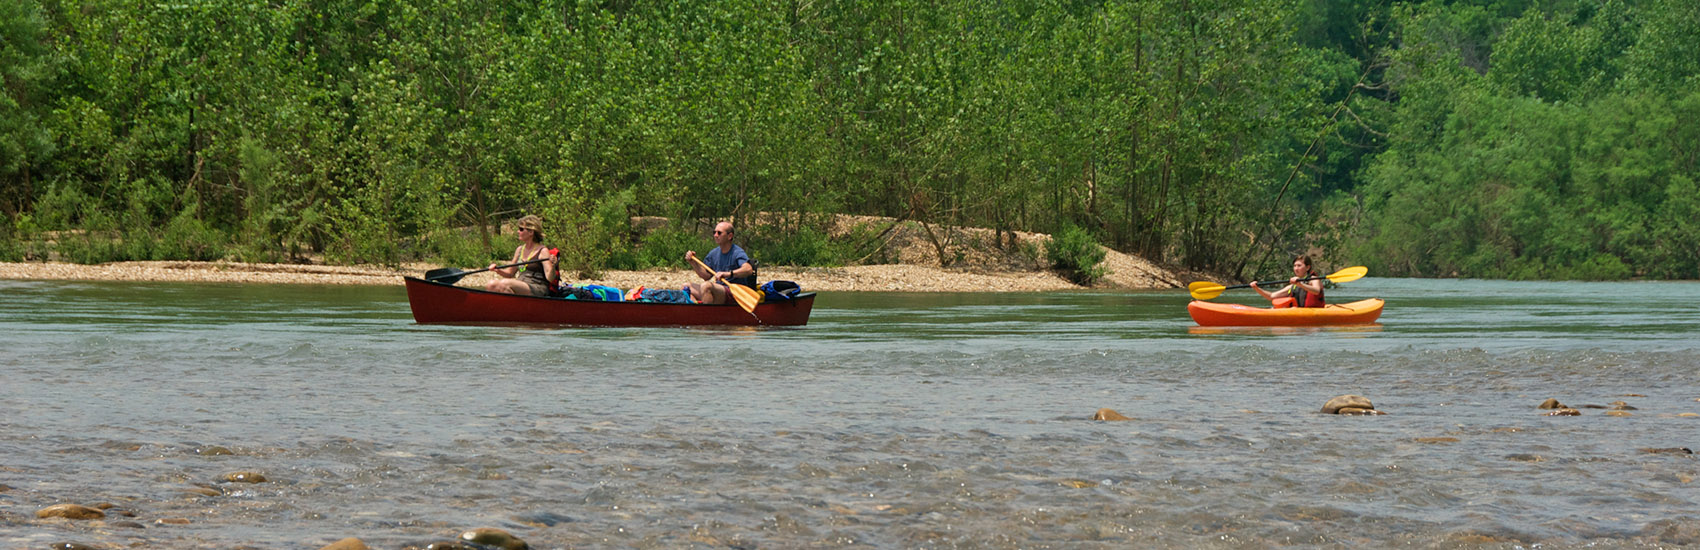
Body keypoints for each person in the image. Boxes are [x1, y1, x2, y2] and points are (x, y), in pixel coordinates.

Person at [684, 221, 755, 305]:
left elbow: (748, 269)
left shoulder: (737, 252)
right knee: (686, 286)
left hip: (734, 292)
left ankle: (707, 315)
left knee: (706, 286)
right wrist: (693, 263)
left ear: (730, 236)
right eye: (714, 232)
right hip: (719, 290)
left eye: (719, 233)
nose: (715, 235)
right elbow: (706, 276)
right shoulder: (713, 253)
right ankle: (696, 312)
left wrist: (728, 274)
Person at [484, 215, 558, 296]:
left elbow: (550, 278)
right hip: (521, 284)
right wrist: (497, 270)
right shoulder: (519, 250)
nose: (518, 231)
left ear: (531, 232)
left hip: (537, 287)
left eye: (521, 229)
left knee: (505, 283)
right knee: (491, 285)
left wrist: (553, 265)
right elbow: (510, 273)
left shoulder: (542, 250)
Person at [1252, 255, 1325, 308]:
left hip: (1314, 316)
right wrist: (1256, 288)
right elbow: (1271, 296)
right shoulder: (1293, 286)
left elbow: (1316, 291)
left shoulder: (1313, 279)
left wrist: (1301, 284)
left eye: (1299, 266)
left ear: (1307, 267)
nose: (1296, 268)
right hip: (1298, 312)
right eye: (1294, 266)